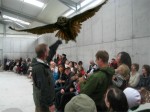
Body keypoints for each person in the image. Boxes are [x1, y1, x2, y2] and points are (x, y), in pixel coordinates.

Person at [32, 43, 55, 112]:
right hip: (43, 103)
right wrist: (50, 104)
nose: (49, 52)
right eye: (48, 50)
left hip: (43, 101)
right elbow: (43, 87)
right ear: (44, 53)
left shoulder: (42, 64)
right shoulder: (39, 67)